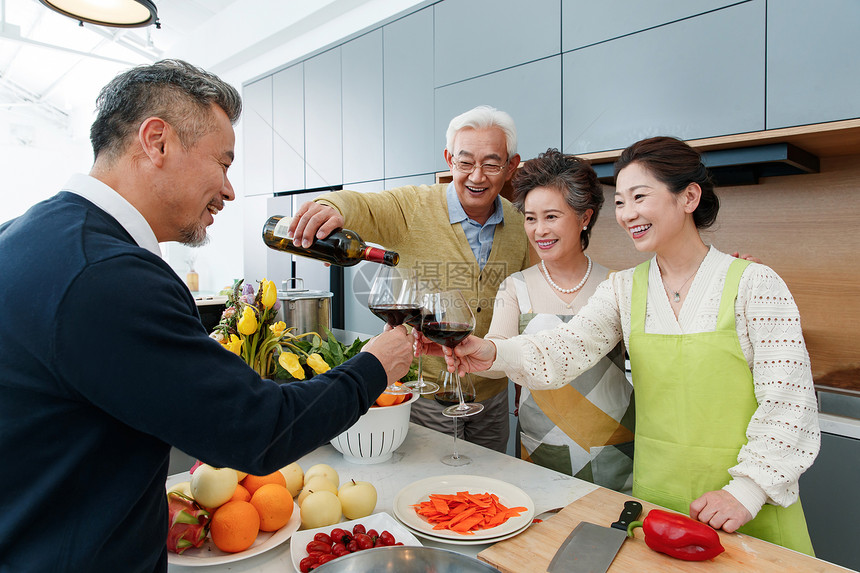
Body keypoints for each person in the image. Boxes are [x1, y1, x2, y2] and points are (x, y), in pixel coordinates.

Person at [0, 60, 414, 573]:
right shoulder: (109, 275)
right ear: (157, 141)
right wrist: (376, 364)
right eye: (223, 162)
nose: (230, 189)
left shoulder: (24, 235)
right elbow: (261, 431)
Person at [434, 136, 819, 554]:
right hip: (655, 498)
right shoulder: (623, 289)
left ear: (689, 196)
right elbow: (564, 349)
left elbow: (790, 403)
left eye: (639, 197)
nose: (627, 214)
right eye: (619, 201)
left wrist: (746, 491)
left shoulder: (755, 283)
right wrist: (490, 351)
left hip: (744, 503)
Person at [289, 105, 531, 453]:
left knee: (490, 490)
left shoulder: (521, 223)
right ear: (449, 159)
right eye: (465, 162)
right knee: (431, 491)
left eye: (491, 164)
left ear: (511, 166)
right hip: (424, 392)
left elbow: (522, 307)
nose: (477, 176)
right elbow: (363, 206)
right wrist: (331, 207)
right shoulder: (412, 207)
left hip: (490, 397)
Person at [483, 148, 634, 492]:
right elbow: (497, 358)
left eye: (551, 216)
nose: (539, 230)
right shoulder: (515, 287)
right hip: (542, 443)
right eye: (531, 218)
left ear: (584, 218)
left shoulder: (619, 285)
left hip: (615, 442)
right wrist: (465, 350)